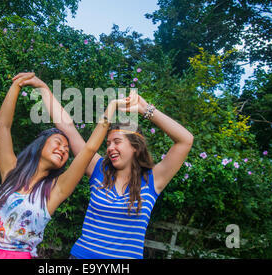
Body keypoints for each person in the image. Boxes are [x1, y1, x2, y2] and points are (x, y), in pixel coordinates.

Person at [0, 72, 131, 259]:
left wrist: (112, 108)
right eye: (58, 142)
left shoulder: (56, 189)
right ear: (40, 145)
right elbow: (3, 126)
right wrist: (17, 85)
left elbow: (89, 149)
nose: (63, 149)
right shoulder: (10, 172)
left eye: (67, 149)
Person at [31, 76, 194, 259]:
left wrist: (145, 109)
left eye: (117, 142)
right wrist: (43, 88)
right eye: (108, 143)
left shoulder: (153, 179)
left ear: (135, 146)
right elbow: (68, 128)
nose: (110, 148)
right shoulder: (98, 169)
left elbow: (185, 141)